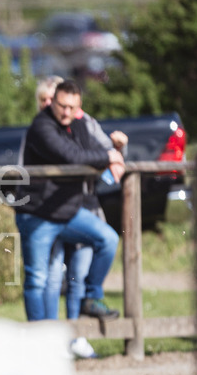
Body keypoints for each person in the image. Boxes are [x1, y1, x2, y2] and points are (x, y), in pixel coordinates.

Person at [15, 80, 125, 334]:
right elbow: (71, 156)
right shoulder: (41, 126)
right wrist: (108, 158)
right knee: (38, 279)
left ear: (79, 106)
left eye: (71, 107)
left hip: (67, 212)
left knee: (108, 239)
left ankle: (91, 296)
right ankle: (39, 339)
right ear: (52, 101)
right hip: (37, 214)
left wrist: (114, 153)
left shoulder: (79, 124)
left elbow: (97, 150)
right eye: (61, 106)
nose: (66, 112)